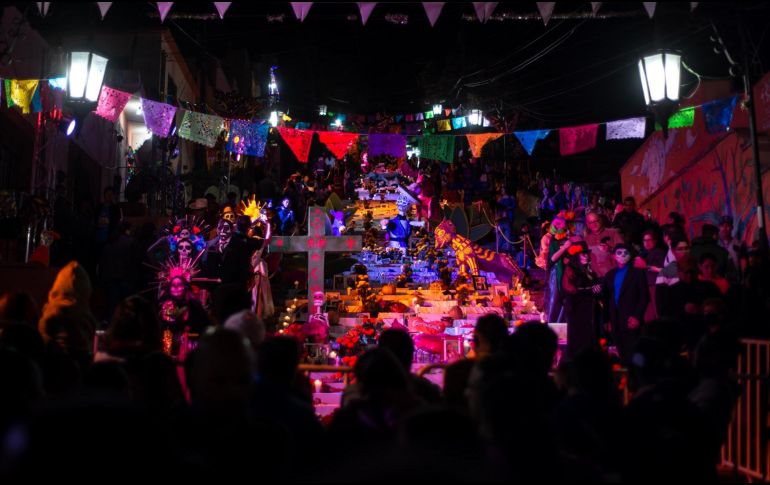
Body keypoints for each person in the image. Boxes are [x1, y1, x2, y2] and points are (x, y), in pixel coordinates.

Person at [602, 244, 649, 364]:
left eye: (625, 252)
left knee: (634, 353)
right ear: (613, 256)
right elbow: (606, 299)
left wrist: (637, 316)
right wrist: (607, 320)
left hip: (631, 319)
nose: (622, 255)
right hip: (615, 321)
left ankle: (637, 379)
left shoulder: (638, 273)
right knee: (622, 354)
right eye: (619, 252)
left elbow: (644, 296)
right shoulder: (609, 275)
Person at [561, 241, 601, 360]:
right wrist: (589, 290)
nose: (586, 256)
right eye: (583, 254)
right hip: (576, 309)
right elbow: (569, 289)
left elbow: (593, 288)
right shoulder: (571, 270)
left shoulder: (590, 272)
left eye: (586, 254)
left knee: (588, 336)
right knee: (577, 337)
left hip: (589, 309)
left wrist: (597, 288)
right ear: (576, 257)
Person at [583, 212, 623, 278]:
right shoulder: (586, 239)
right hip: (598, 277)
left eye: (596, 221)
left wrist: (610, 249)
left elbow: (624, 252)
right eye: (591, 222)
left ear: (601, 220)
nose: (594, 224)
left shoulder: (613, 233)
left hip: (615, 274)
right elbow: (585, 259)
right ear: (588, 225)